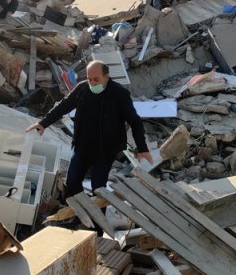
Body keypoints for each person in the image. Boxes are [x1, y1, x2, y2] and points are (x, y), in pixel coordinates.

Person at [26, 60, 153, 203]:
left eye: (96, 79)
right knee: (72, 182)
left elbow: (134, 121)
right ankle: (81, 213)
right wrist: (43, 123)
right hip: (83, 145)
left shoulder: (119, 94)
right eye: (89, 79)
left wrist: (142, 148)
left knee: (98, 188)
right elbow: (64, 106)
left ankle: (97, 223)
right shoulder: (83, 88)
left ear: (106, 76)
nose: (92, 83)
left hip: (105, 150)